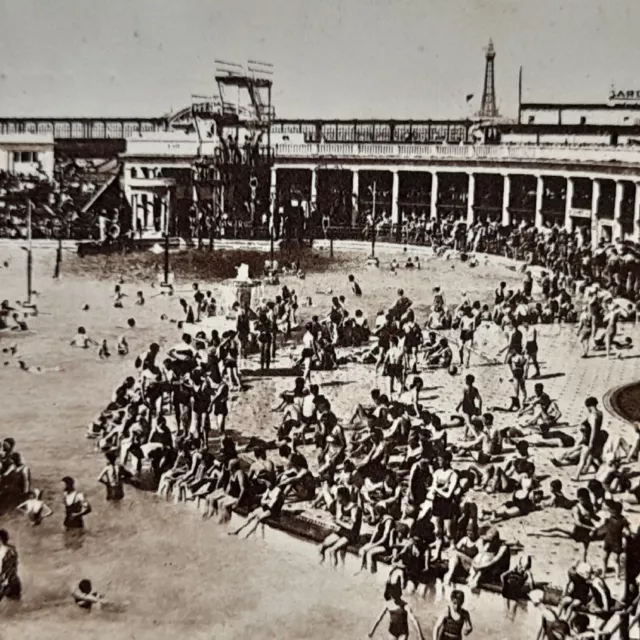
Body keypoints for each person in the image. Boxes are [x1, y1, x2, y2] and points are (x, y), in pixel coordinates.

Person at [0, 529, 21, 602]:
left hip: (8, 582)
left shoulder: (6, 551)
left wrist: (5, 582)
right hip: (12, 581)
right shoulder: (11, 549)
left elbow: (9, 567)